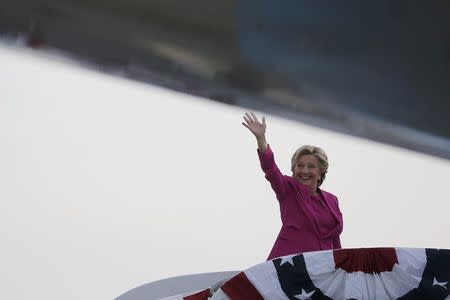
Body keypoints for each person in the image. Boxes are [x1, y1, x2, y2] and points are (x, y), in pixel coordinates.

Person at [242, 112, 343, 260]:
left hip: (323, 267)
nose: (304, 171)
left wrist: (340, 266)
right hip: (290, 265)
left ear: (321, 171)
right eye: (300, 166)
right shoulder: (287, 189)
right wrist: (261, 139)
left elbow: (335, 241)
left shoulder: (332, 200)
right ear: (293, 169)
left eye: (311, 166)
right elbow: (270, 168)